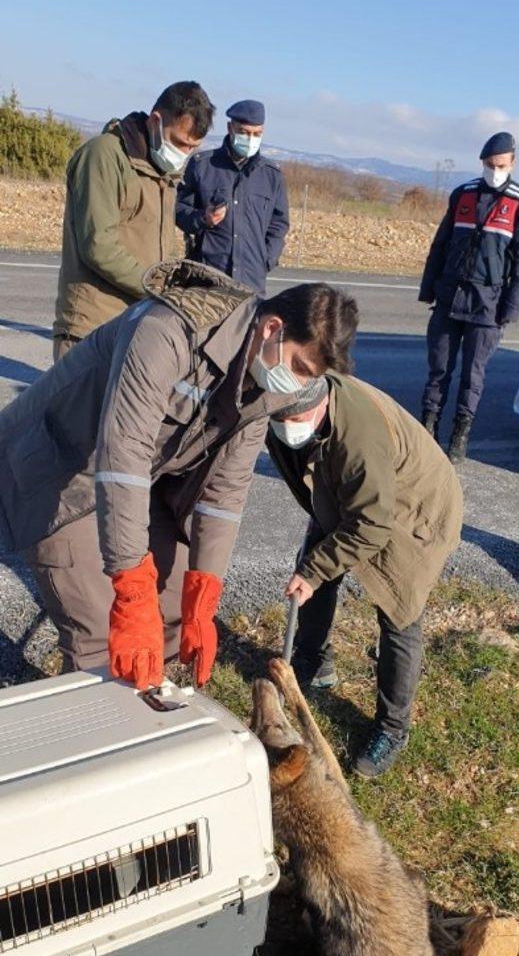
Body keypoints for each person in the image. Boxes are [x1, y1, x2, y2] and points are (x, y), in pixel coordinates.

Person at [0, 265, 357, 688]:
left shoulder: (271, 386)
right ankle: (98, 730)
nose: (296, 384)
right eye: (298, 365)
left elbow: (225, 492)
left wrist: (203, 593)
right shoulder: (166, 330)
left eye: (308, 377)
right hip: (59, 471)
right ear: (272, 328)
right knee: (103, 631)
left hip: (137, 479)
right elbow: (123, 454)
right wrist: (130, 587)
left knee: (172, 611)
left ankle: (150, 716)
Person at [267, 379, 463, 779]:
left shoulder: (359, 438)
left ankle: (393, 728)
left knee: (399, 612)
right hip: (352, 494)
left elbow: (373, 524)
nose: (287, 424)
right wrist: (317, 560)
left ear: (322, 404)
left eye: (296, 417)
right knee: (312, 570)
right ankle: (315, 662)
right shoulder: (288, 418)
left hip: (413, 509)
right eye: (280, 417)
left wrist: (316, 567)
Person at [53, 81, 214, 359]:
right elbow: (99, 247)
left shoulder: (162, 172)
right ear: (155, 121)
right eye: (178, 142)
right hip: (92, 328)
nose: (183, 154)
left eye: (192, 148)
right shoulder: (103, 155)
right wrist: (161, 289)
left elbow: (163, 249)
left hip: (136, 324)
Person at [419, 131, 519, 461]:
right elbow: (440, 245)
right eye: (489, 164)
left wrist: (509, 310)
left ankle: (460, 434)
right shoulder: (463, 194)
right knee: (438, 370)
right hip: (449, 297)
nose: (494, 170)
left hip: (488, 307)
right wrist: (428, 288)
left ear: (512, 162)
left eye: (500, 164)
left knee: (473, 375)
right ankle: (427, 427)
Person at [176, 100, 289, 295]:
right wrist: (203, 219)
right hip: (207, 279)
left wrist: (267, 259)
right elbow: (178, 209)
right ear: (230, 128)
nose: (250, 138)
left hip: (251, 282)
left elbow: (279, 224)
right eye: (244, 132)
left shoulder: (272, 176)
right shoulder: (203, 166)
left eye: (256, 134)